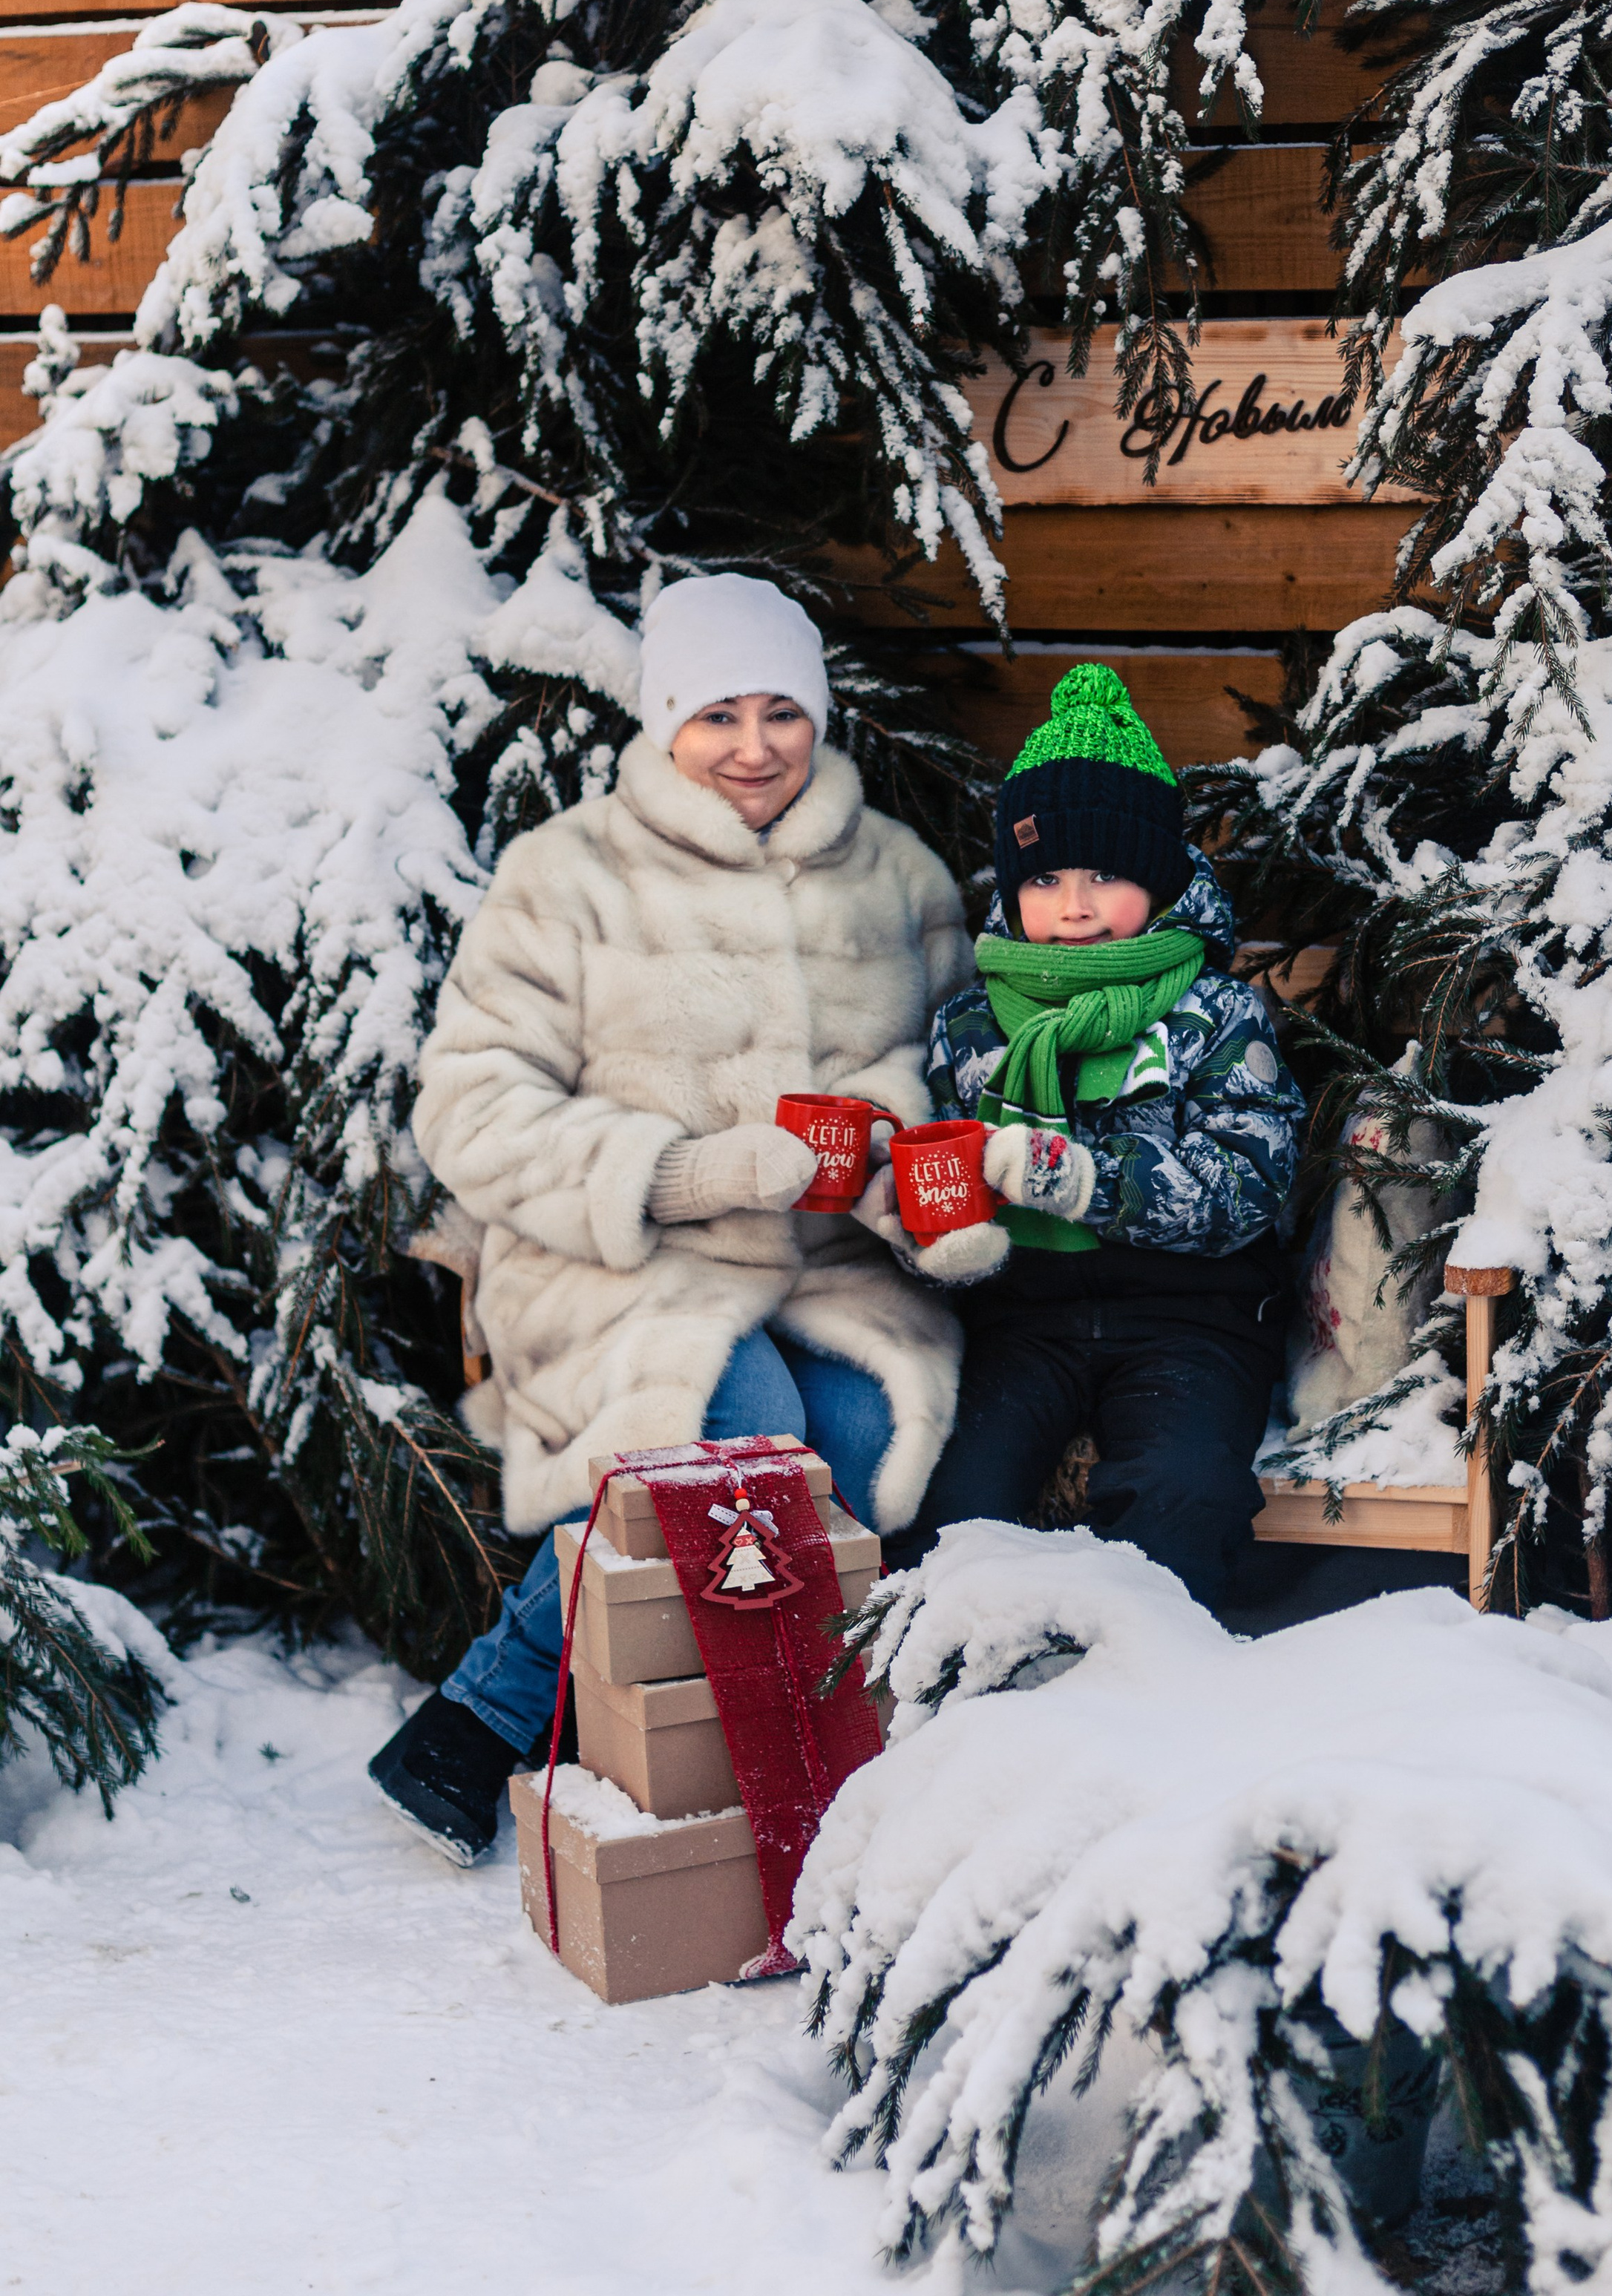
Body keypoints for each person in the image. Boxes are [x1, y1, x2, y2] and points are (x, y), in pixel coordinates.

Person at [369, 573, 972, 1860]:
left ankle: (730, 1747)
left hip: (818, 1268)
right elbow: (466, 1107)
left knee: (863, 1426)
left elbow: (948, 1073)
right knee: (744, 1429)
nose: (753, 748)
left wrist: (901, 1172)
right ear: (662, 726)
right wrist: (689, 1173)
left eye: (782, 713)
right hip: (613, 1255)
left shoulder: (893, 878)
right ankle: (483, 1718)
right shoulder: (568, 877)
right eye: (716, 717)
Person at [868, 663, 1305, 1613]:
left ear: (1155, 878)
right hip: (1021, 1320)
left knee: (1180, 1493)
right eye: (1045, 877)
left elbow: (1248, 1184)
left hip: (1190, 1319)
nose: (1073, 904)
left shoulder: (1214, 1012)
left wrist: (1079, 1178)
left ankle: (1147, 1690)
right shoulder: (971, 1024)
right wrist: (923, 1218)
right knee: (949, 1498)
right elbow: (940, 1174)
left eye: (1105, 874)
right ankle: (967, 1700)